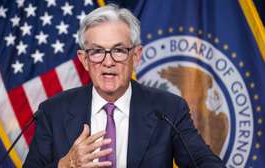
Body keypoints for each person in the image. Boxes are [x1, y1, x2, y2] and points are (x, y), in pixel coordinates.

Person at [23, 4, 225, 168]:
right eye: (97, 51)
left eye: (119, 50)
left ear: (136, 56)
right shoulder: (53, 111)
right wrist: (65, 165)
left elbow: (203, 162)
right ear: (84, 59)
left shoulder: (169, 109)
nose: (108, 62)